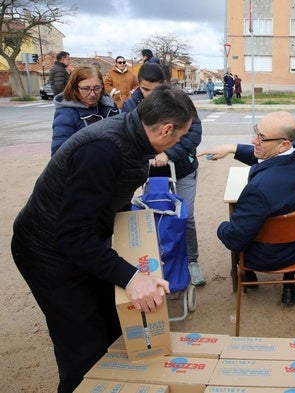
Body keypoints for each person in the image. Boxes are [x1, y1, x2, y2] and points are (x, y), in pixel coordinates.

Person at [11, 85, 196, 393]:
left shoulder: (134, 136)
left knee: (114, 325)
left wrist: (139, 259)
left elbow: (114, 198)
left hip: (83, 241)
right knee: (83, 347)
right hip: (48, 252)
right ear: (166, 129)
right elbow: (72, 234)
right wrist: (131, 276)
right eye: (178, 137)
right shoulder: (102, 149)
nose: (178, 142)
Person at [197, 111, 295, 305]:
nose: (253, 140)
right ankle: (289, 285)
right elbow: (270, 159)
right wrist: (231, 148)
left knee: (240, 229)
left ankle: (249, 276)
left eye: (261, 137)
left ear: (283, 144)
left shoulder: (257, 190)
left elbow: (234, 239)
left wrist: (221, 227)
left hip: (266, 257)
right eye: (256, 133)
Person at [122, 65, 206, 286]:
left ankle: (191, 261)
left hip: (182, 170)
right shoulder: (131, 105)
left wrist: (167, 153)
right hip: (150, 175)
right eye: (145, 89)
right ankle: (155, 262)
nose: (151, 95)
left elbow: (193, 134)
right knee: (150, 217)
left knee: (184, 216)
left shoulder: (179, 102)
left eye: (155, 89)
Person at [51, 66, 119, 156]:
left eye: (97, 88)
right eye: (86, 89)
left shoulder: (110, 106)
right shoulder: (66, 114)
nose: (92, 94)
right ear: (75, 88)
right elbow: (59, 154)